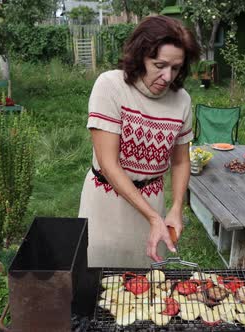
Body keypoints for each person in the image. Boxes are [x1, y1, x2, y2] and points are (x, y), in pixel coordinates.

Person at [78, 16, 200, 268]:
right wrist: (154, 217)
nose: (167, 77)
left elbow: (180, 161)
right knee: (98, 277)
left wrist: (176, 208)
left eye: (176, 68)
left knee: (148, 282)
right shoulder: (110, 86)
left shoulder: (182, 101)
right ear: (140, 56)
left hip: (153, 199)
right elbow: (108, 164)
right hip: (106, 202)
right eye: (159, 65)